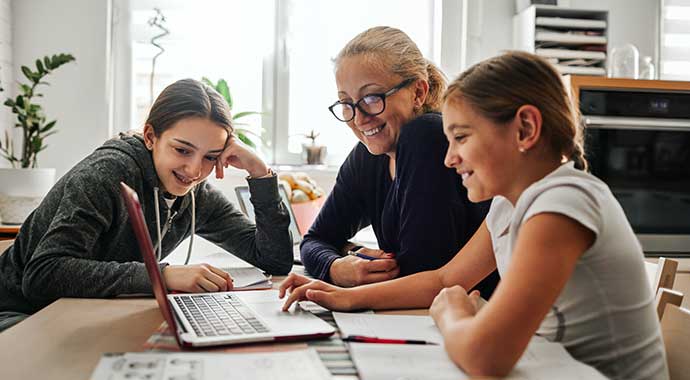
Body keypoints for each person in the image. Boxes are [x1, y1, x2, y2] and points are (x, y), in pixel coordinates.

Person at [280, 52, 668, 380]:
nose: (449, 158)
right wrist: (347, 297)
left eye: (461, 138)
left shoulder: (562, 203)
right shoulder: (511, 204)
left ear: (526, 129)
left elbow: (485, 357)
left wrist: (453, 314)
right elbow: (445, 278)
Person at [0, 79, 293, 332]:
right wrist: (162, 275)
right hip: (21, 312)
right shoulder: (106, 175)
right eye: (182, 150)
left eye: (210, 157)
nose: (193, 170)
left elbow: (275, 260)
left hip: (85, 312)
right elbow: (42, 275)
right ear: (151, 136)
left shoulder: (195, 194)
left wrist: (260, 173)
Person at [302, 26, 498, 294]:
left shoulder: (427, 136)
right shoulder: (369, 156)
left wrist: (349, 268)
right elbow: (315, 240)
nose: (359, 119)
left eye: (371, 98)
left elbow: (421, 270)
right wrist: (337, 266)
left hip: (469, 313)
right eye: (347, 103)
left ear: (418, 93)